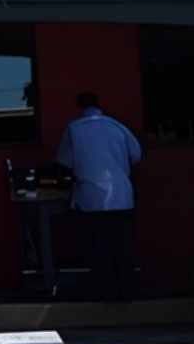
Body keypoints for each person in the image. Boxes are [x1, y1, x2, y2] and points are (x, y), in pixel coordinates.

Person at [56, 91, 144, 300]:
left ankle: (104, 293)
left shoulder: (74, 129)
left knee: (98, 247)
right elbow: (136, 155)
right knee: (122, 246)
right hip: (121, 196)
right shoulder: (116, 126)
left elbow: (63, 162)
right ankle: (126, 291)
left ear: (79, 107)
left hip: (91, 198)